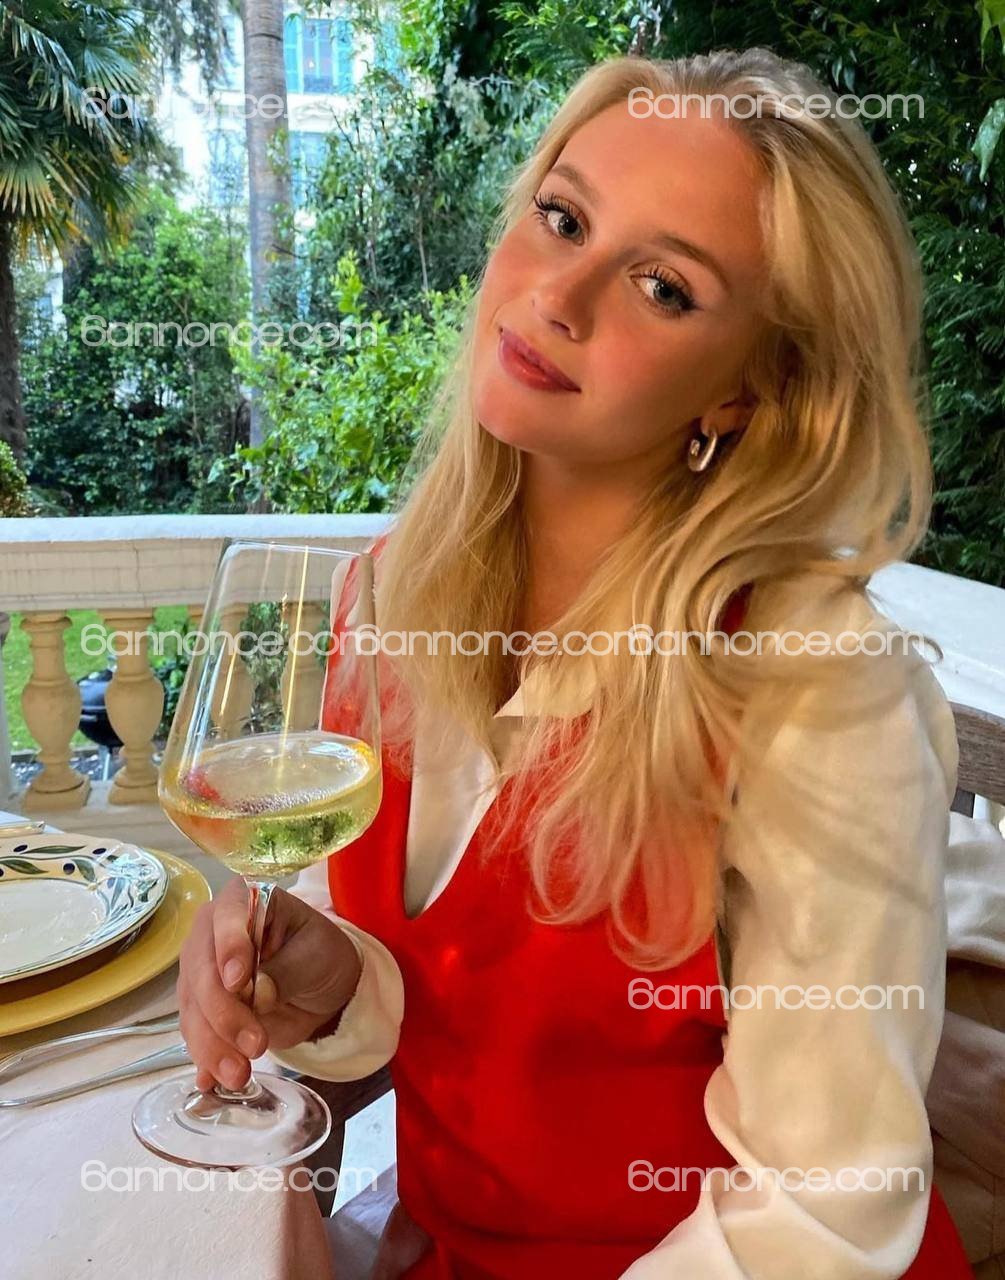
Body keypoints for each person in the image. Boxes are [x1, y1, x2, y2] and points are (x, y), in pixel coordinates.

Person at [177, 47, 976, 1278]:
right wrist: (330, 982)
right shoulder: (391, 592)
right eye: (562, 218)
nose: (559, 293)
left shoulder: (815, 686)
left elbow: (826, 1211)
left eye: (663, 286)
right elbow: (457, 997)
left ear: (748, 391)